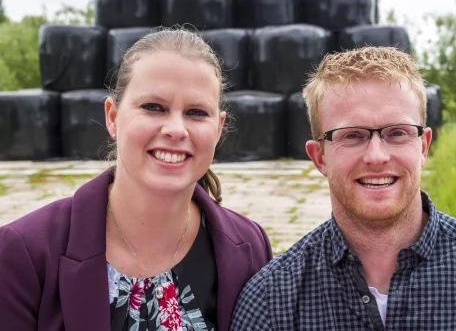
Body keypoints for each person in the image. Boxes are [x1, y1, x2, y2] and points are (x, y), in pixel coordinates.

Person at [230, 47, 456, 330]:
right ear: (320, 157)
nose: (376, 156)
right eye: (352, 135)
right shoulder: (270, 301)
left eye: (397, 133)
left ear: (424, 146)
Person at [0, 28, 272, 331]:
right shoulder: (23, 253)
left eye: (196, 112)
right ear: (113, 117)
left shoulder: (251, 247)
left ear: (219, 128)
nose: (176, 129)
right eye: (154, 107)